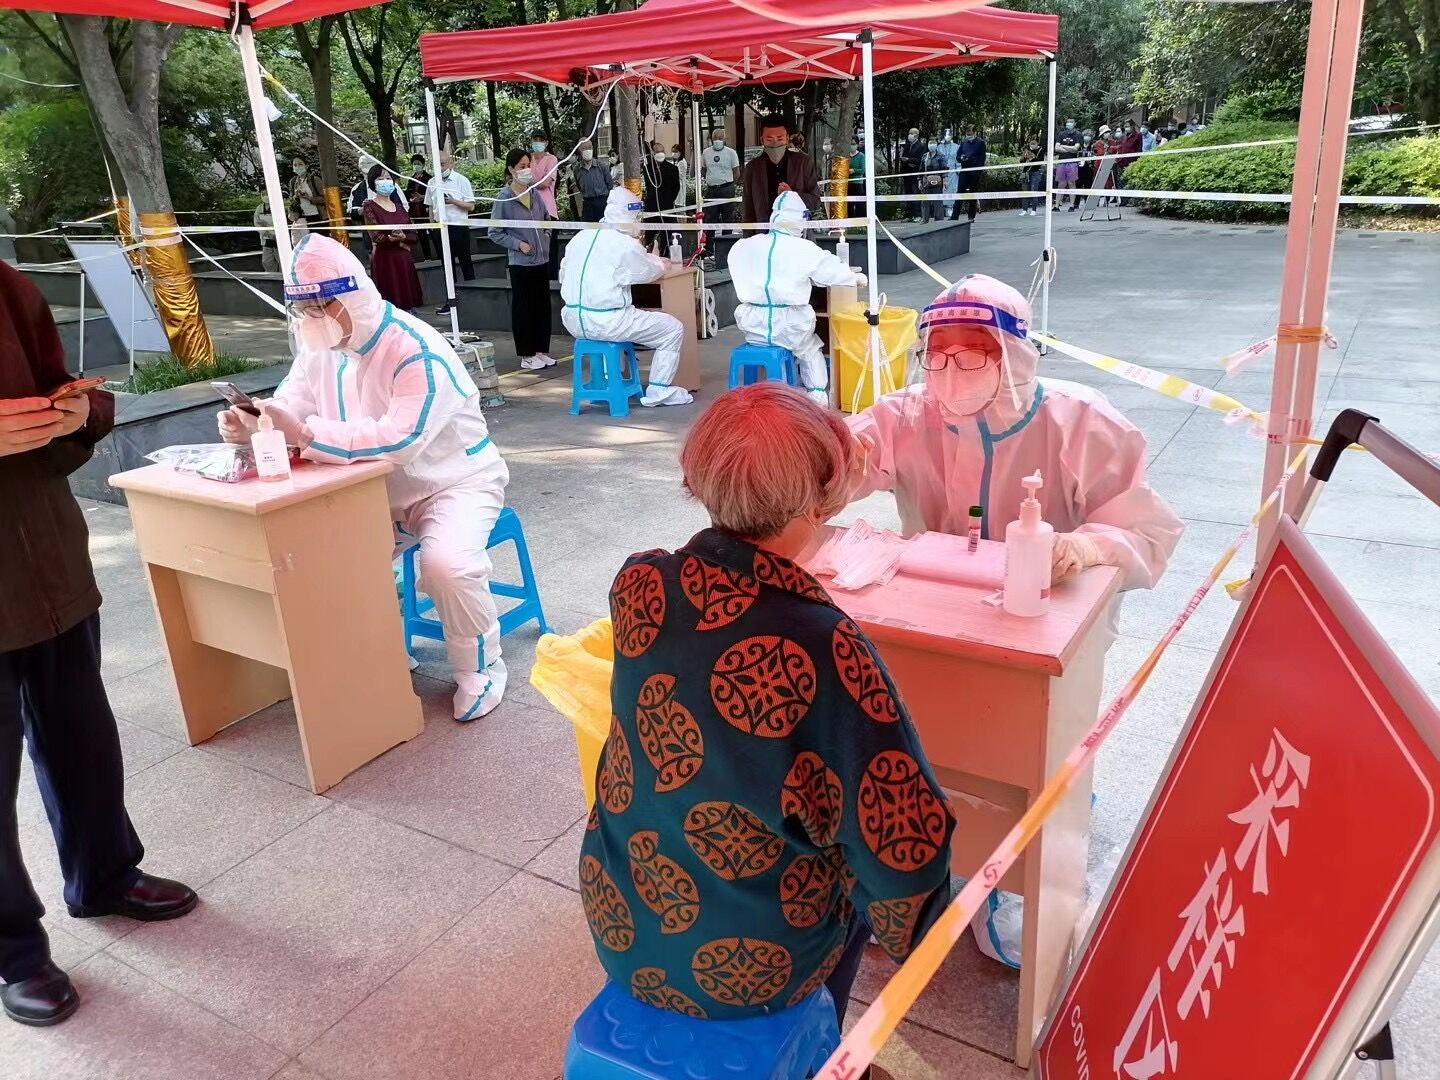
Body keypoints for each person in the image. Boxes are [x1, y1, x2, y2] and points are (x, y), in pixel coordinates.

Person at [581, 383, 953, 1080]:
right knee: (862, 893)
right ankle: (825, 1054)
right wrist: (923, 928)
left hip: (622, 917)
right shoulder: (823, 645)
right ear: (820, 497)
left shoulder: (639, 584)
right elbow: (904, 849)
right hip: (749, 969)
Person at [1, 259, 197, 1027]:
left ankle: (107, 875)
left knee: (83, 737)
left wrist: (78, 413)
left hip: (47, 560)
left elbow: (60, 393)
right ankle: (14, 951)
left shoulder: (9, 285)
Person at [217, 235, 511, 721]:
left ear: (354, 294)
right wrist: (254, 424)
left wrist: (304, 433)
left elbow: (400, 441)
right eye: (305, 307)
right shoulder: (319, 347)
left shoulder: (417, 350)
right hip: (367, 489)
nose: (314, 316)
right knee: (322, 557)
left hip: (453, 482)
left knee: (447, 565)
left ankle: (480, 669)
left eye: (323, 303)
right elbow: (293, 403)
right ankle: (380, 656)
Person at [848, 273, 1183, 598]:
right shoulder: (904, 415)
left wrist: (1086, 547)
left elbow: (1147, 533)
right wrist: (829, 458)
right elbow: (825, 463)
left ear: (1013, 356)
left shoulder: (1081, 421)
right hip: (934, 597)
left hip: (1047, 604)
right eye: (936, 355)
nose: (950, 372)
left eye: (972, 355)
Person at [560, 187, 690, 409]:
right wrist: (661, 262)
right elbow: (647, 271)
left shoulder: (581, 237)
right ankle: (659, 389)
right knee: (672, 329)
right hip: (607, 321)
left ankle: (608, 381)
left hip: (573, 319)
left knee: (617, 328)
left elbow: (564, 275)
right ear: (630, 215)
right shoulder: (624, 244)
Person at [729, 191, 859, 406]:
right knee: (809, 348)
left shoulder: (744, 245)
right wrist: (855, 278)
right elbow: (832, 273)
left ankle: (774, 386)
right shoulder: (804, 249)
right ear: (800, 219)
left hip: (752, 325)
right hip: (790, 326)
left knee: (791, 342)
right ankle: (817, 398)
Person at [489, 149, 555, 371]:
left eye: (528, 165)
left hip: (541, 260)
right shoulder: (504, 198)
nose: (526, 170)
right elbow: (495, 232)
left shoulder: (535, 194)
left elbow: (547, 220)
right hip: (520, 262)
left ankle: (540, 350)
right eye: (521, 166)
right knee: (524, 309)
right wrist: (519, 245)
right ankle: (526, 354)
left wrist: (545, 238)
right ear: (510, 170)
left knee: (542, 307)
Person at [362, 163, 424, 312]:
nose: (385, 181)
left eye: (388, 177)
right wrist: (395, 239)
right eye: (380, 178)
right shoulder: (369, 206)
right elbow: (377, 237)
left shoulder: (400, 207)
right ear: (373, 183)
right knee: (391, 303)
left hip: (404, 260)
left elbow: (413, 235)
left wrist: (403, 237)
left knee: (409, 305)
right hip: (385, 261)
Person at [741, 117, 820, 225]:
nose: (775, 144)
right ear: (762, 140)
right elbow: (748, 210)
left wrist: (792, 196)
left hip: (797, 233)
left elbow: (815, 202)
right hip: (764, 235)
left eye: (780, 139)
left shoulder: (803, 163)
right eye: (769, 140)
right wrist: (749, 239)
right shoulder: (752, 168)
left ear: (787, 139)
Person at [431, 150, 476, 314]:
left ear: (450, 163)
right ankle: (451, 301)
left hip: (459, 226)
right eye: (437, 164)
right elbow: (431, 207)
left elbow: (471, 206)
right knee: (446, 266)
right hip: (440, 228)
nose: (440, 168)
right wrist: (432, 226)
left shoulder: (461, 181)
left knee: (465, 262)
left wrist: (453, 201)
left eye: (443, 164)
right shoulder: (431, 182)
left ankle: (473, 298)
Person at [703, 128, 741, 235]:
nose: (717, 140)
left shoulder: (731, 153)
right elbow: (703, 169)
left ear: (724, 139)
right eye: (715, 138)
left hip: (727, 189)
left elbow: (736, 172)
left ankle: (726, 247)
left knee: (728, 218)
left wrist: (729, 183)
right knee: (710, 219)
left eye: (720, 138)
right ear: (711, 139)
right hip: (712, 190)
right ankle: (709, 248)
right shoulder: (706, 153)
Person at [642, 141, 680, 234]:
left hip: (666, 204)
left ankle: (665, 247)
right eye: (657, 152)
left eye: (661, 151)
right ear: (653, 154)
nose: (660, 154)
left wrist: (670, 199)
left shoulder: (672, 169)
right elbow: (649, 185)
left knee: (666, 233)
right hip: (652, 205)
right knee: (650, 233)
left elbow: (676, 187)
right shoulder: (647, 168)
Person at [405, 152, 437, 262]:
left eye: (418, 163)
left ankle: (438, 255)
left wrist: (422, 197)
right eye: (414, 164)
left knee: (434, 233)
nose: (416, 166)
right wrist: (411, 199)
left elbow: (433, 193)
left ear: (423, 165)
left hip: (427, 210)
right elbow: (408, 193)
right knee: (422, 235)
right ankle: (427, 257)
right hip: (416, 210)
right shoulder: (411, 179)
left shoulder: (429, 179)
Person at [347, 154, 377, 266]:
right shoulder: (357, 189)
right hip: (369, 234)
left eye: (369, 163)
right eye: (363, 164)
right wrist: (362, 210)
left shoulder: (389, 184)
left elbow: (403, 207)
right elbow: (351, 212)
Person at [572, 140, 612, 223]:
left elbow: (609, 184)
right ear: (579, 149)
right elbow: (579, 187)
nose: (587, 150)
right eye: (584, 148)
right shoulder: (577, 169)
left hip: (602, 201)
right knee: (587, 229)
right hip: (587, 203)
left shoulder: (601, 166)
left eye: (589, 147)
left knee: (603, 229)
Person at [955, 125, 987, 224]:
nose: (968, 136)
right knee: (959, 193)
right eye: (967, 134)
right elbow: (958, 156)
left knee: (972, 194)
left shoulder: (981, 143)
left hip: (975, 171)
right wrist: (961, 158)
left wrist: (978, 171)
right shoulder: (963, 142)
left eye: (970, 134)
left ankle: (971, 216)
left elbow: (982, 158)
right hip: (964, 170)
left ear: (975, 133)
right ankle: (954, 216)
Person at [1053, 119, 1082, 211]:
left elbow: (1076, 149)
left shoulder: (1078, 134)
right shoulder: (1061, 134)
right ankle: (1056, 205)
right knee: (1061, 183)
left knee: (1071, 182)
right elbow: (1056, 148)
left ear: (1074, 124)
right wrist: (1070, 148)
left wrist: (1063, 146)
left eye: (1071, 122)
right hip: (1061, 161)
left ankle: (1072, 205)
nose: (1069, 124)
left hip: (1072, 162)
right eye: (1067, 122)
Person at [899, 126, 926, 221]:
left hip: (915, 174)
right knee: (908, 194)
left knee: (916, 194)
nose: (909, 135)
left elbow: (920, 160)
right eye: (909, 133)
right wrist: (904, 161)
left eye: (912, 133)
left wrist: (910, 160)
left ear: (916, 135)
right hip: (906, 173)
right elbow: (903, 157)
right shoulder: (906, 146)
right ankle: (909, 215)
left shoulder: (921, 146)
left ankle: (918, 215)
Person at [289, 155, 323, 230]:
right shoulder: (293, 181)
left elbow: (325, 199)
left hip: (317, 216)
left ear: (306, 166)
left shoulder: (315, 180)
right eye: (295, 165)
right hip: (302, 218)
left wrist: (309, 198)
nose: (297, 167)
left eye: (300, 164)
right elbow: (291, 200)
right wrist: (296, 197)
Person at [919, 137, 947, 224]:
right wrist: (919, 181)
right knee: (925, 201)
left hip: (937, 182)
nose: (932, 144)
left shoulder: (941, 156)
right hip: (926, 182)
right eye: (930, 143)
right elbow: (921, 170)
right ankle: (924, 219)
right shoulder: (925, 156)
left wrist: (945, 181)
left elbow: (944, 169)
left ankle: (939, 220)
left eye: (934, 143)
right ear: (928, 144)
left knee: (938, 201)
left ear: (937, 144)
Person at [936, 128, 959, 219]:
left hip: (953, 172)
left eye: (949, 134)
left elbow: (958, 159)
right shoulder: (939, 147)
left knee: (953, 189)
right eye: (945, 134)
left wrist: (958, 169)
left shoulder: (956, 146)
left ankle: (951, 208)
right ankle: (943, 209)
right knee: (943, 189)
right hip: (942, 172)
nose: (947, 136)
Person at [254, 198, 282, 273]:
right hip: (266, 238)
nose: (265, 196)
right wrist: (268, 234)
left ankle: (282, 278)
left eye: (266, 193)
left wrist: (275, 234)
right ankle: (272, 277)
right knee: (266, 261)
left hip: (279, 239)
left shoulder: (278, 206)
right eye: (262, 194)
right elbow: (257, 223)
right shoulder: (259, 208)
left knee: (282, 260)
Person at [1019, 136, 1044, 217]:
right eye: (1031, 144)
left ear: (1037, 144)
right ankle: (1024, 209)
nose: (1032, 145)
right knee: (1025, 191)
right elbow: (1021, 161)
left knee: (1034, 191)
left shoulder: (1041, 150)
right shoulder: (1027, 149)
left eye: (1034, 144)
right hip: (1026, 172)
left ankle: (1033, 210)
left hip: (1035, 172)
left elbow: (1039, 162)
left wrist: (1032, 156)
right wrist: (1024, 156)